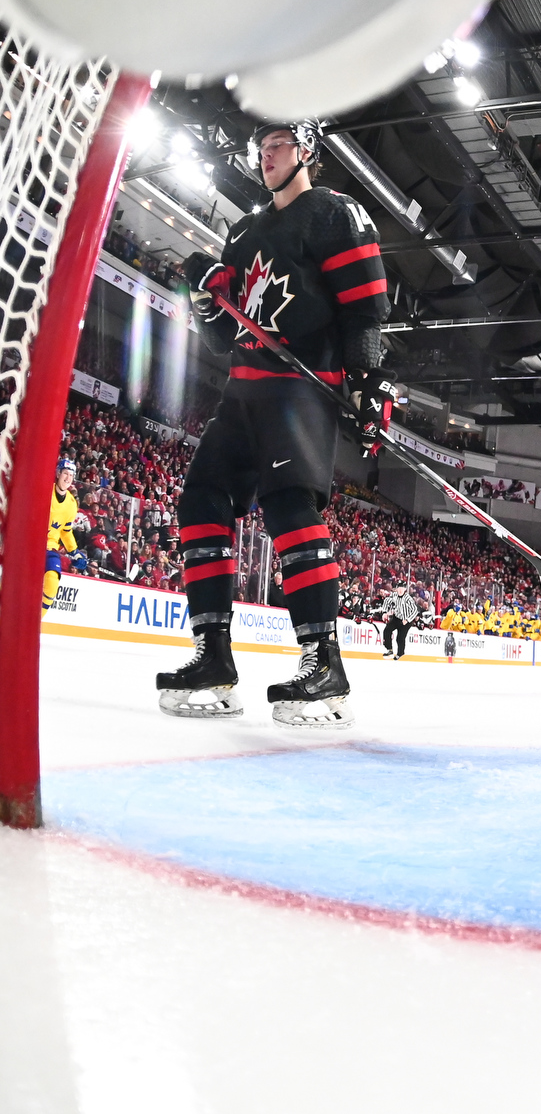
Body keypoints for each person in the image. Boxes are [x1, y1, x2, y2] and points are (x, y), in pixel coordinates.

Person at [155, 119, 393, 727]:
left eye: (278, 146)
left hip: (300, 386)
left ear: (307, 151)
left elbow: (365, 307)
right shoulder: (243, 231)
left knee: (289, 506)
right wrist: (208, 300)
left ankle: (324, 664)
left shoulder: (335, 214)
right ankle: (213, 658)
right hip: (243, 391)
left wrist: (368, 384)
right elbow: (221, 338)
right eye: (260, 149)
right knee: (200, 500)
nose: (266, 157)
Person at [44, 456, 81, 616]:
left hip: (50, 546)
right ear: (58, 473)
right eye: (65, 473)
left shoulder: (71, 504)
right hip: (29, 543)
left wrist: (75, 552)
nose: (68, 478)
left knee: (52, 582)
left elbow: (65, 531)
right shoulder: (45, 490)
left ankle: (36, 622)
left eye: (71, 475)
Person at [381, 581, 419, 660]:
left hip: (406, 620)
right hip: (397, 618)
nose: (401, 590)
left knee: (400, 638)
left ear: (405, 589)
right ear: (397, 589)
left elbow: (415, 610)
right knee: (387, 630)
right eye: (399, 588)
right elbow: (386, 601)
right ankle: (389, 649)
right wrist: (385, 612)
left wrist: (407, 620)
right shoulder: (394, 595)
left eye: (402, 588)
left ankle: (400, 652)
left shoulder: (408, 598)